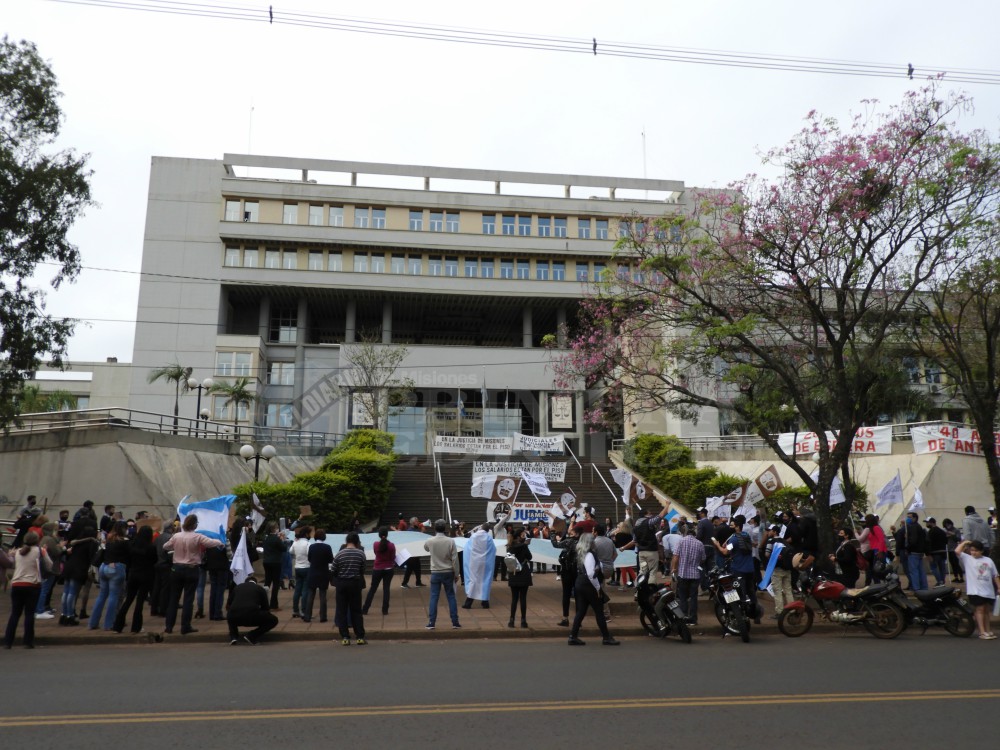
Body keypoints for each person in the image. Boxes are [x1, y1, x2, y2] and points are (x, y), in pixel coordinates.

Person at [163, 514, 225, 635]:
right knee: (188, 599)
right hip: (191, 569)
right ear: (195, 525)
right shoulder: (197, 537)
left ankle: (169, 626)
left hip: (177, 568)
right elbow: (211, 542)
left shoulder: (176, 536)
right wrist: (220, 542)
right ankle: (185, 626)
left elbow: (165, 546)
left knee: (174, 599)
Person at [568, 533, 619, 646]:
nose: (595, 542)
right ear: (590, 543)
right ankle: (606, 637)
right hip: (589, 585)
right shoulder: (589, 555)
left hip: (581, 583)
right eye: (593, 541)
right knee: (599, 611)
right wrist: (597, 588)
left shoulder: (582, 553)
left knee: (581, 611)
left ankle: (573, 636)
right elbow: (591, 573)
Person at [4, 531, 52, 649]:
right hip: (32, 584)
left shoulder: (18, 552)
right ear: (37, 540)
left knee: (15, 613)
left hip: (17, 583)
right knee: (29, 614)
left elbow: (12, 564)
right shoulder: (40, 551)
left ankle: (8, 641)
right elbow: (49, 565)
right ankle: (28, 641)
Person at [712, 514, 759, 623]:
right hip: (750, 569)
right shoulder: (746, 535)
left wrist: (717, 545)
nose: (730, 526)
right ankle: (756, 617)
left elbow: (725, 552)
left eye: (732, 525)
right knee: (751, 592)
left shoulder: (733, 540)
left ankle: (742, 618)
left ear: (737, 526)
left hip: (739, 570)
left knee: (740, 594)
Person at [112, 524, 157, 633]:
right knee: (139, 602)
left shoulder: (132, 544)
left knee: (128, 600)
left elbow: (128, 558)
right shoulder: (151, 547)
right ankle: (136, 627)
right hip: (146, 575)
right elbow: (154, 560)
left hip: (133, 573)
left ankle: (118, 625)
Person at [955, 539, 1000, 639]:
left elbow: (995, 575)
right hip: (975, 590)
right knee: (980, 609)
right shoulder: (967, 559)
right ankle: (982, 632)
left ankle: (988, 630)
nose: (973, 552)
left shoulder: (988, 560)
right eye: (972, 550)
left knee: (986, 611)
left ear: (981, 551)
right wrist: (965, 543)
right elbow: (957, 551)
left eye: (976, 550)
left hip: (988, 590)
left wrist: (998, 586)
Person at [89, 520, 130, 631]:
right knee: (113, 597)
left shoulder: (109, 540)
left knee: (102, 596)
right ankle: (109, 624)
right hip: (116, 568)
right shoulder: (125, 542)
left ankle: (93, 623)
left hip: (104, 567)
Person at [423, 519, 461, 630]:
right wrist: (457, 573)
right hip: (448, 571)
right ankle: (455, 622)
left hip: (435, 571)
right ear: (445, 528)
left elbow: (425, 548)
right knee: (451, 596)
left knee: (434, 597)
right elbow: (455, 559)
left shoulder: (430, 540)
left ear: (435, 528)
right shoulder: (450, 541)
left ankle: (431, 622)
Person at [331, 532, 367, 645]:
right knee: (356, 610)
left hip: (342, 584)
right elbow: (362, 569)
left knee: (342, 610)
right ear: (357, 542)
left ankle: (345, 637)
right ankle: (360, 636)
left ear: (346, 541)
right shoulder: (361, 554)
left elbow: (333, 570)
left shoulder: (339, 554)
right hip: (355, 584)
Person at [60, 520, 98, 625]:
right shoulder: (92, 543)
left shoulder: (76, 542)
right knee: (72, 593)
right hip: (79, 569)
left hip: (69, 567)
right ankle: (70, 616)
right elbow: (92, 557)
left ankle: (64, 614)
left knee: (66, 592)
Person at [228, 576, 278, 645]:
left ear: (245, 582)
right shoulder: (259, 588)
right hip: (251, 616)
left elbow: (229, 604)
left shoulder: (237, 587)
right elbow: (266, 608)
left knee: (231, 614)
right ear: (255, 582)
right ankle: (252, 636)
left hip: (235, 617)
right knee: (273, 620)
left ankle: (233, 637)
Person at [671, 527, 706, 625]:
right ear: (694, 535)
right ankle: (693, 619)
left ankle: (684, 617)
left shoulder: (681, 541)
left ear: (687, 534)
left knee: (683, 597)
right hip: (695, 575)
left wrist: (674, 568)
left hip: (682, 574)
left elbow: (676, 556)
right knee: (694, 598)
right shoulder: (699, 543)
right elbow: (703, 559)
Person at [363, 526, 396, 616]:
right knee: (386, 589)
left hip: (377, 568)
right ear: (387, 534)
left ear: (379, 535)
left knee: (373, 589)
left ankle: (365, 608)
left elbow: (376, 553)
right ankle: (385, 610)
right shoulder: (391, 545)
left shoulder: (375, 544)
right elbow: (393, 557)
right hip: (389, 568)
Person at [461, 523, 495, 610]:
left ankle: (468, 602)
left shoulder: (474, 536)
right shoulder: (489, 538)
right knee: (485, 580)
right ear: (488, 530)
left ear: (481, 528)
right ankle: (485, 602)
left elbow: (467, 548)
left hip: (474, 562)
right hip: (486, 562)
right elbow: (493, 549)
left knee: (473, 580)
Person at [303, 529, 333, 623]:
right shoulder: (327, 547)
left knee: (310, 595)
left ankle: (307, 616)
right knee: (323, 595)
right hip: (323, 572)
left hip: (313, 572)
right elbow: (330, 559)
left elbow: (309, 558)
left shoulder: (311, 547)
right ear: (324, 537)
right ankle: (323, 616)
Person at [506, 526, 533, 628]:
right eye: (523, 535)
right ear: (518, 536)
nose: (524, 536)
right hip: (524, 573)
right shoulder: (524, 546)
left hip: (513, 573)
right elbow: (530, 557)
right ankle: (523, 620)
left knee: (514, 598)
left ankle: (511, 620)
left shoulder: (510, 546)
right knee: (523, 598)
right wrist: (524, 545)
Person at [551, 527, 578, 627]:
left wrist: (552, 533)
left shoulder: (568, 541)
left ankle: (565, 618)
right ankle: (578, 619)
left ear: (575, 533)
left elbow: (555, 544)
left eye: (572, 530)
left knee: (566, 594)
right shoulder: (583, 542)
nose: (569, 530)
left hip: (567, 571)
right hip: (577, 571)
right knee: (578, 595)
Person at [261, 522, 286, 610]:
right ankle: (273, 604)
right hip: (275, 562)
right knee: (276, 583)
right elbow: (284, 548)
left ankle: (264, 602)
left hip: (266, 561)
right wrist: (283, 539)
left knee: (267, 582)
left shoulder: (266, 538)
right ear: (274, 529)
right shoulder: (276, 539)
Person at [902, 511, 928, 592]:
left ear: (915, 518)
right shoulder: (918, 526)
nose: (908, 519)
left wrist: (907, 548)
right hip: (920, 551)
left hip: (913, 552)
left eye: (910, 517)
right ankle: (924, 587)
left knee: (913, 571)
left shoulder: (912, 527)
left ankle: (916, 588)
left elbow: (913, 541)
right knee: (921, 570)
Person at [290, 526, 312, 619]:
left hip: (297, 567)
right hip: (306, 567)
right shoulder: (308, 543)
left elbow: (290, 551)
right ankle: (304, 610)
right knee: (305, 590)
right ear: (306, 534)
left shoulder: (296, 542)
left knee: (297, 589)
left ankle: (295, 610)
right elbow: (309, 554)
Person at [924, 517, 948, 587]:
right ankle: (942, 581)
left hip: (934, 553)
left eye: (927, 522)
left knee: (933, 567)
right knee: (942, 568)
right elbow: (946, 541)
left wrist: (928, 554)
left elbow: (927, 543)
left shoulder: (930, 532)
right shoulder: (942, 531)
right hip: (943, 552)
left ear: (932, 522)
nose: (926, 524)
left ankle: (939, 581)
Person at [943, 518, 963, 583]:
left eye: (948, 524)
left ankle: (961, 577)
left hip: (955, 549)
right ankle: (956, 577)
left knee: (956, 563)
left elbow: (958, 539)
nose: (947, 526)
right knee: (952, 564)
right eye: (946, 525)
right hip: (948, 549)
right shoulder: (945, 531)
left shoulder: (956, 530)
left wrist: (952, 535)